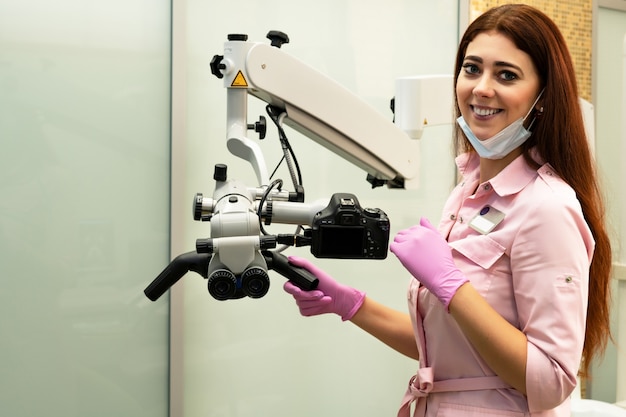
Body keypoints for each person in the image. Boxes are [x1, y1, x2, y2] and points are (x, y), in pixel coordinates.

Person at [282, 3, 613, 417]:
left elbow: (551, 380)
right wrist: (350, 304)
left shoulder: (547, 208)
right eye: (472, 69)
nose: (481, 88)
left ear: (543, 98)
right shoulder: (465, 193)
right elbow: (448, 347)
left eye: (506, 75)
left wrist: (453, 286)